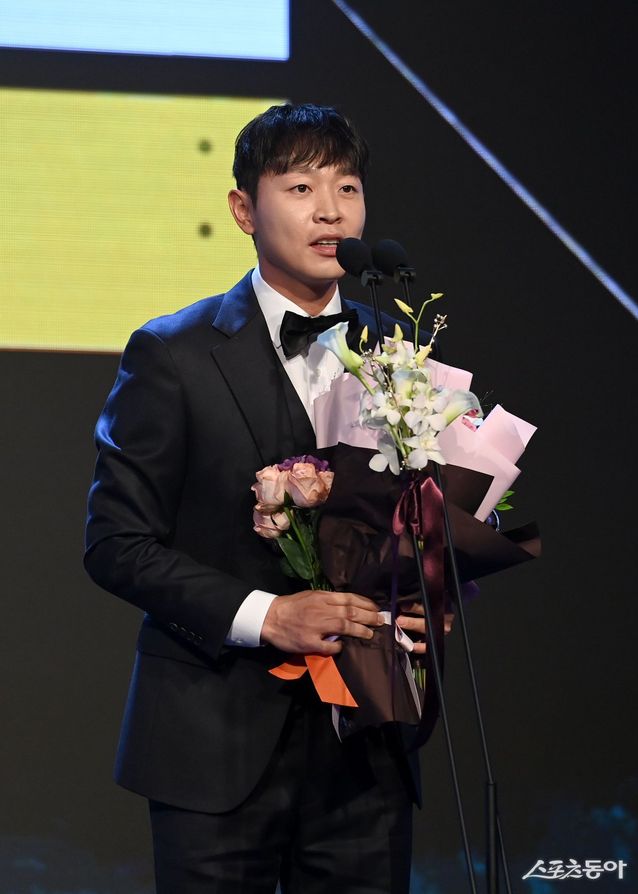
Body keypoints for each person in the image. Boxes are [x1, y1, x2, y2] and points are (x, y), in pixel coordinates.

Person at [84, 103, 428, 893]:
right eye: (301, 187)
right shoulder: (172, 353)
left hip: (366, 752)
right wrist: (268, 617)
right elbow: (115, 544)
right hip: (212, 745)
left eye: (347, 187)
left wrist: (427, 594)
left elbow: (422, 525)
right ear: (244, 209)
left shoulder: (401, 358)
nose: (330, 209)